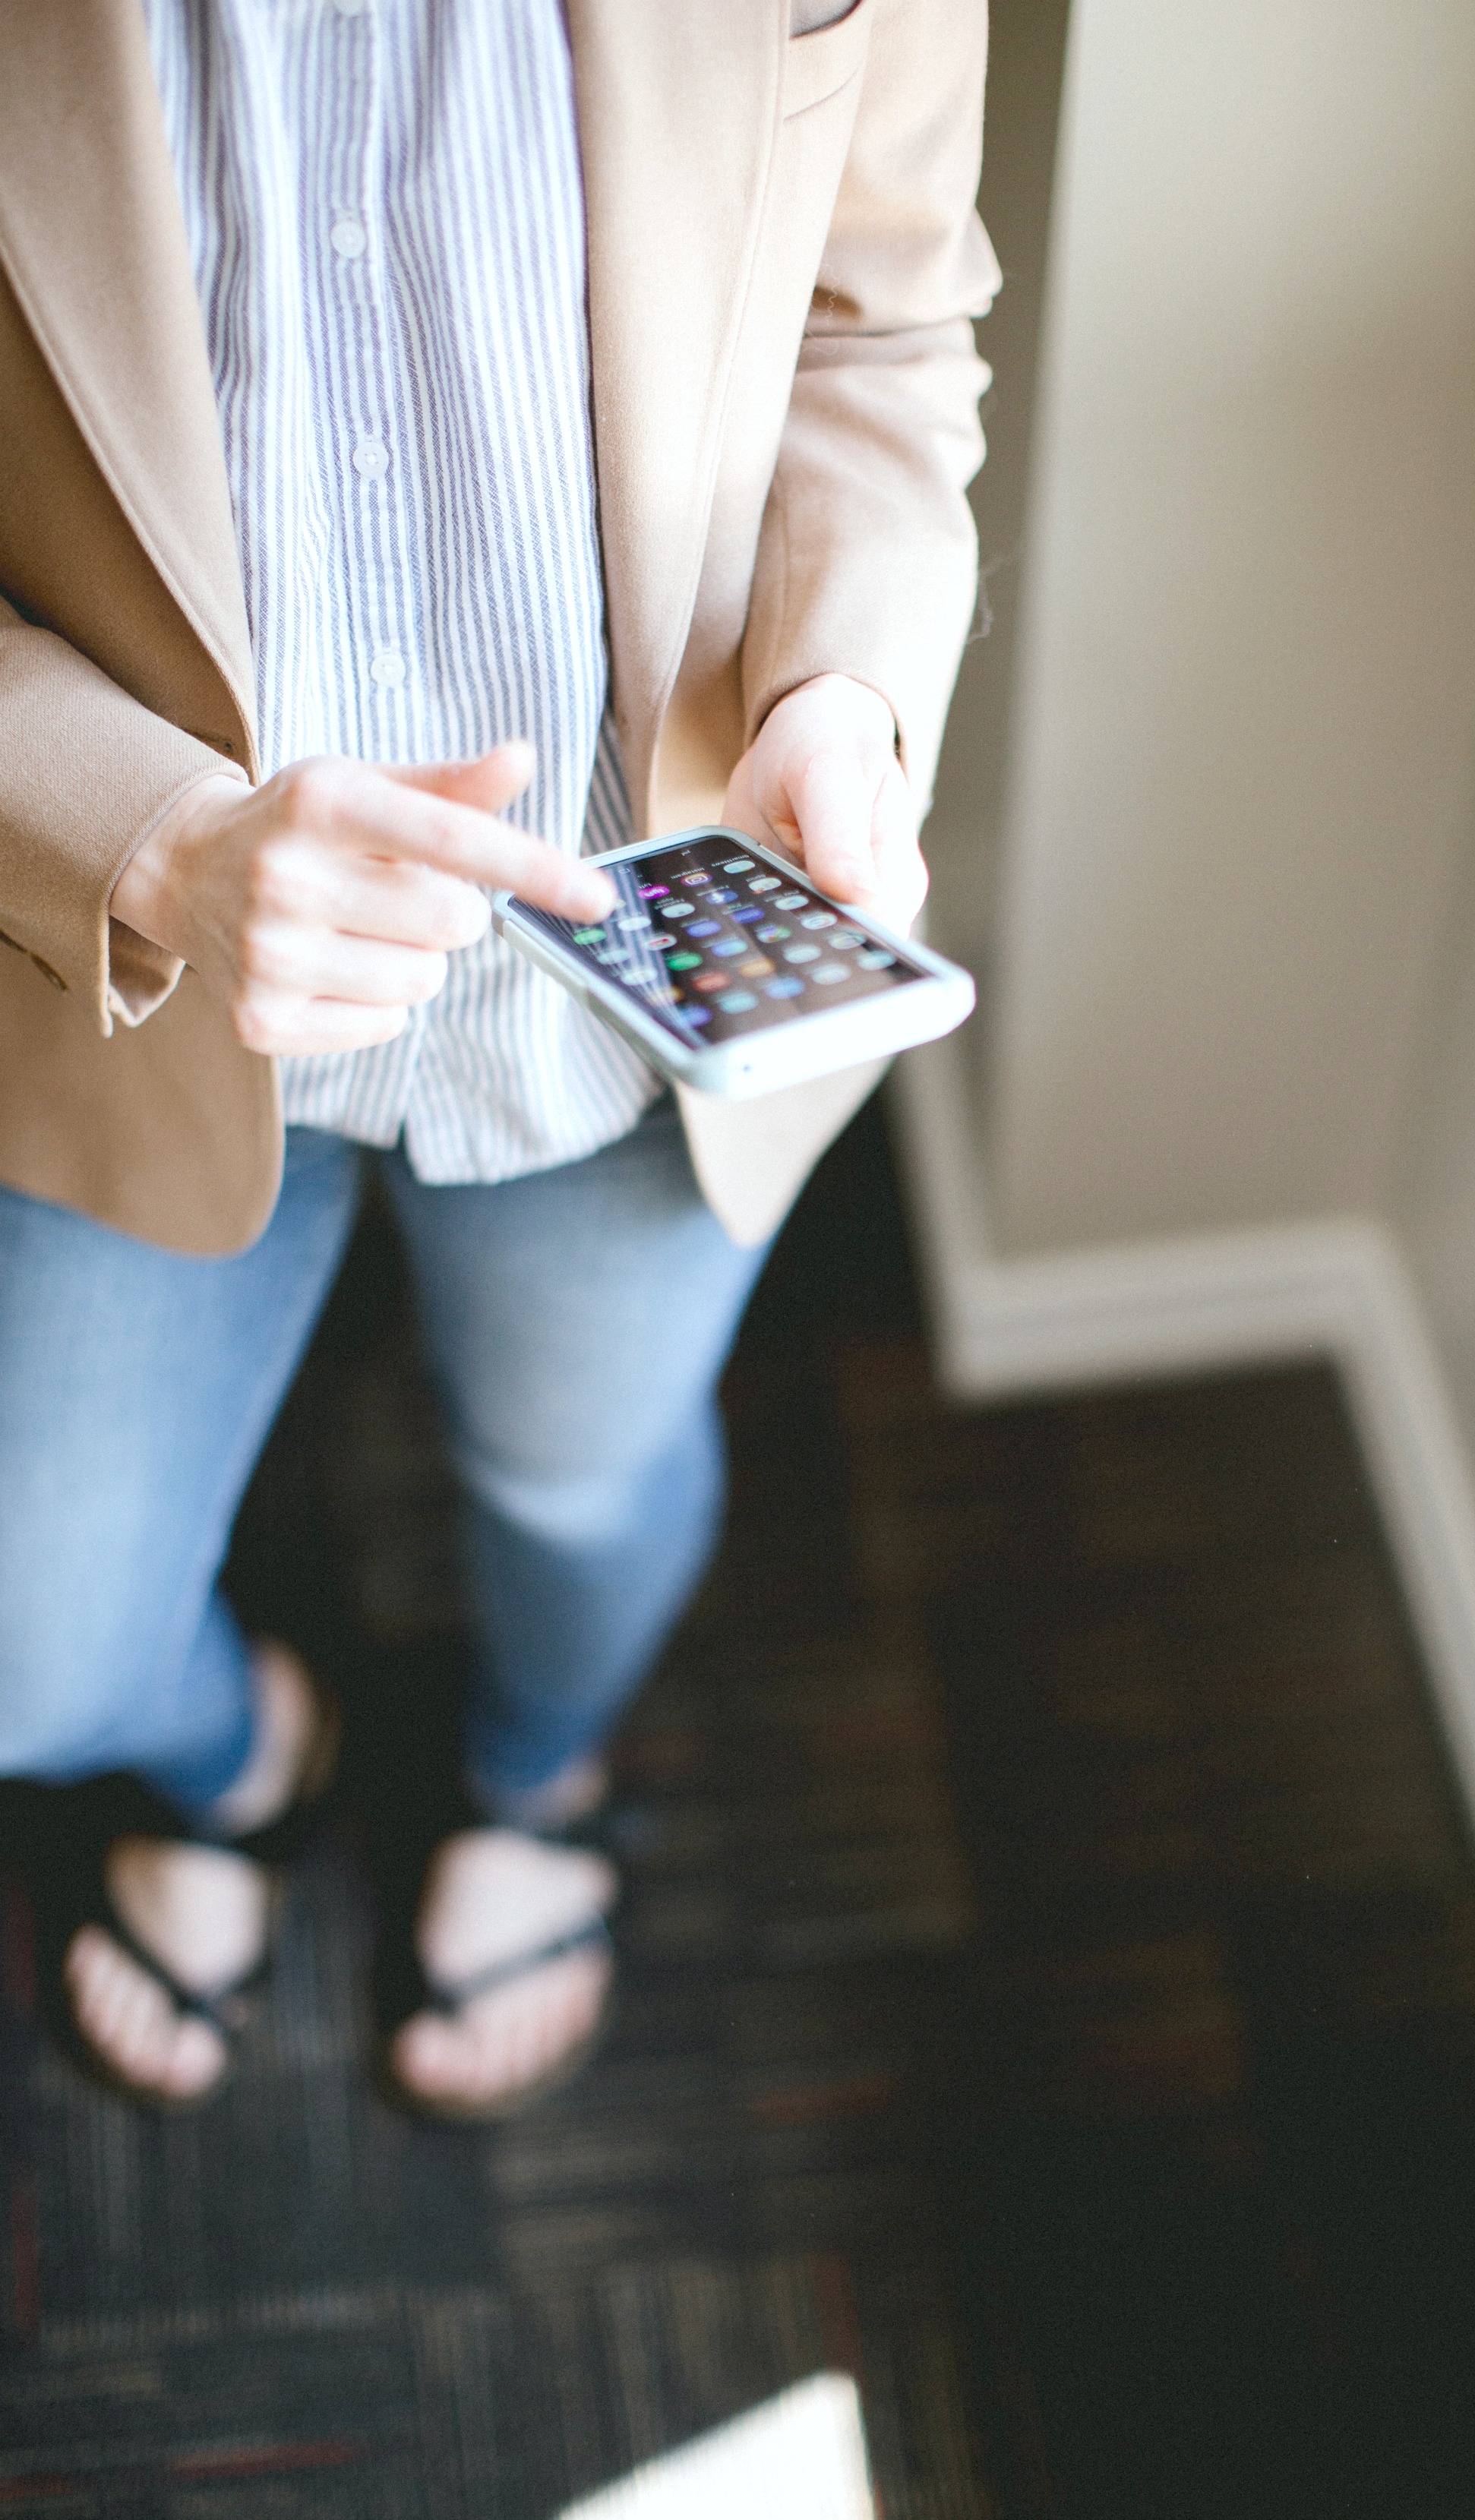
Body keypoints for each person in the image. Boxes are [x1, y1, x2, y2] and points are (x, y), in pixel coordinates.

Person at [0, 0, 996, 2117]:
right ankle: (240, 1748)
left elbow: (879, 336)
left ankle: (532, 1779)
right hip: (129, 961)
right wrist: (148, 842)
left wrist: (840, 683)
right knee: (32, 1643)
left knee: (582, 1484)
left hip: (627, 980)